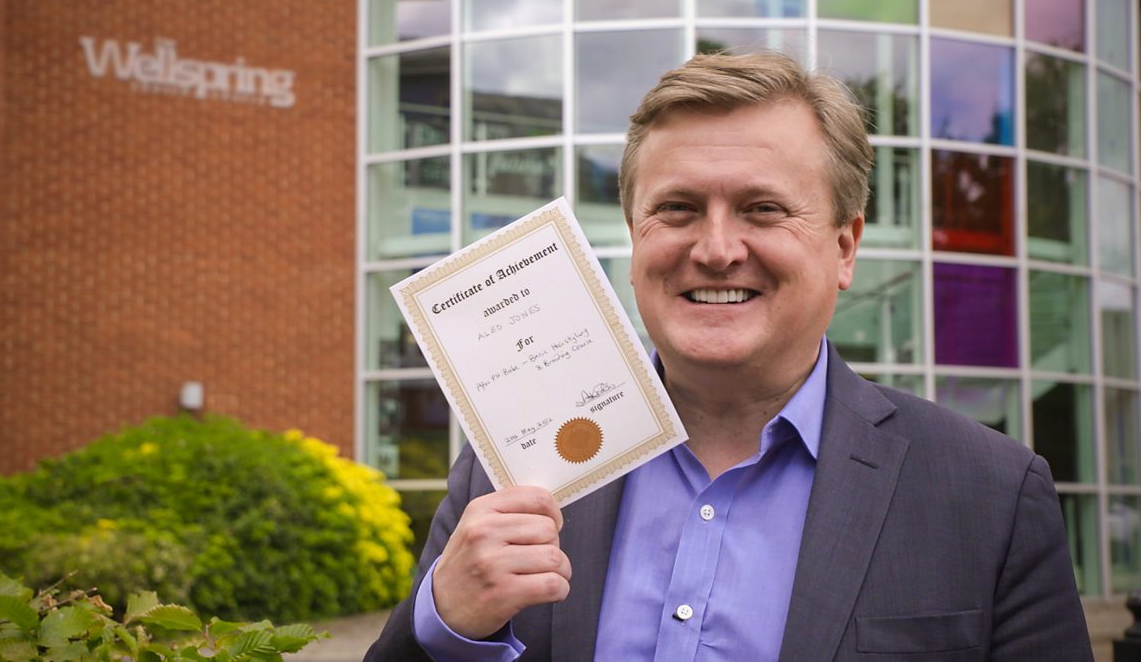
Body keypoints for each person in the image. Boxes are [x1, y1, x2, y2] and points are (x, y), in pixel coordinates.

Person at [365, 51, 1093, 661]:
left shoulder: (992, 496)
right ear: (636, 237)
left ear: (845, 246)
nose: (715, 249)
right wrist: (445, 621)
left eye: (763, 209)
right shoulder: (513, 464)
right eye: (677, 209)